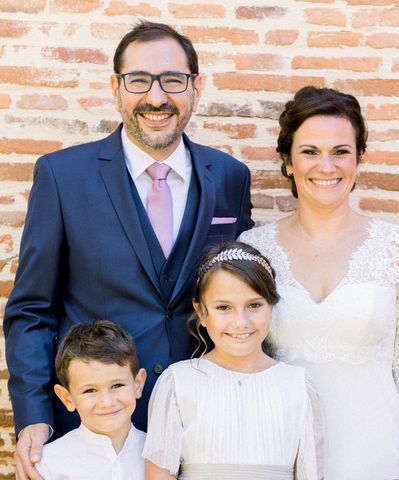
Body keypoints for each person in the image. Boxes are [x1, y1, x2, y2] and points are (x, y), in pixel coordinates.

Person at [4, 21, 253, 480]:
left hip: (203, 429)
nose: (156, 97)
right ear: (115, 87)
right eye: (139, 80)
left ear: (196, 87)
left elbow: (239, 297)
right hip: (95, 429)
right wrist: (34, 414)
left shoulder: (231, 177)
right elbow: (32, 311)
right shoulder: (63, 177)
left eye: (172, 80)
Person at [239, 86, 399, 479]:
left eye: (341, 152)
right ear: (288, 162)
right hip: (286, 457)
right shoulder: (254, 249)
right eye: (310, 151)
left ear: (359, 160)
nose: (326, 166)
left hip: (379, 454)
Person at [143, 241, 323, 479]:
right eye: (224, 307)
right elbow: (160, 475)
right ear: (202, 313)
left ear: (271, 306)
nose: (241, 322)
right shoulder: (177, 383)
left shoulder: (298, 386)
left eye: (254, 305)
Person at [35, 320, 147, 480]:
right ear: (67, 398)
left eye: (117, 385)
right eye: (90, 390)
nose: (107, 402)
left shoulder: (158, 455)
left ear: (138, 384)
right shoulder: (48, 463)